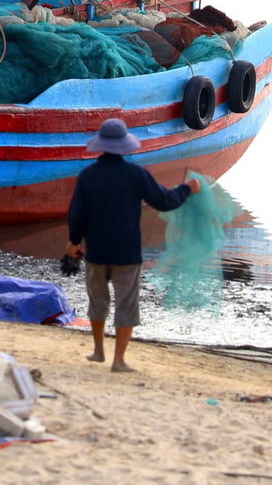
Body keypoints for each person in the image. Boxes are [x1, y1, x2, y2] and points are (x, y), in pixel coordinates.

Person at [65, 117, 200, 373]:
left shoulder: (87, 176)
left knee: (97, 302)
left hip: (96, 251)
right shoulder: (136, 175)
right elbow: (164, 201)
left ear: (101, 146)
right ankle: (118, 361)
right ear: (125, 146)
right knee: (126, 304)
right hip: (127, 253)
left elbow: (77, 214)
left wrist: (74, 242)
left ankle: (97, 351)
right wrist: (186, 189)